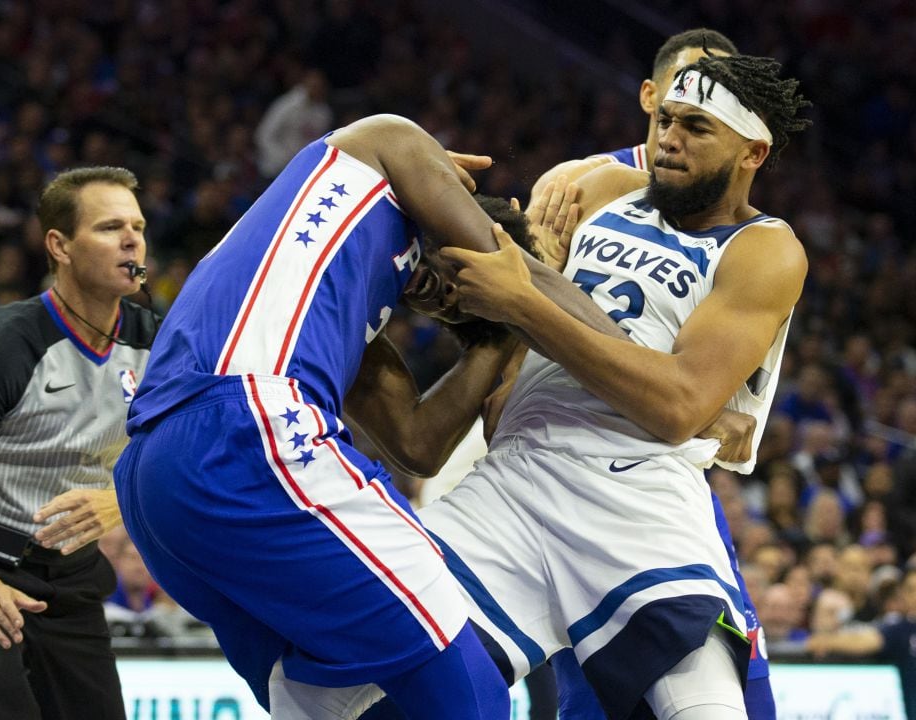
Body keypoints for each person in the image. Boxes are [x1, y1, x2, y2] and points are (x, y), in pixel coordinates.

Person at [333, 52, 811, 720]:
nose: (669, 138)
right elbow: (507, 338)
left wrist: (526, 299)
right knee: (361, 690)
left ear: (751, 153)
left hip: (637, 489)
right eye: (666, 119)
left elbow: (676, 406)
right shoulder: (595, 188)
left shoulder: (765, 248)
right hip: (520, 473)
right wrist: (499, 308)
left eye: (697, 128)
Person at [114, 114, 624, 719]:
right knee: (463, 666)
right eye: (462, 274)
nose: (450, 296)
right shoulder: (387, 143)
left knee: (332, 704)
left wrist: (499, 337)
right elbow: (524, 278)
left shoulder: (340, 301)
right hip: (245, 424)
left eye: (460, 311)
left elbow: (417, 444)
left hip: (158, 481)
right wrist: (650, 373)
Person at [528, 29, 778, 720]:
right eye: (685, 98)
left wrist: (704, 406)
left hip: (665, 482)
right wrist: (694, 404)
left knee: (737, 683)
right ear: (651, 97)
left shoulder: (745, 229)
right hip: (565, 478)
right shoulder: (581, 188)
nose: (708, 103)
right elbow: (521, 330)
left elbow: (720, 409)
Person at [0, 166, 157, 720]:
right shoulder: (1, 345)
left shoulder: (158, 345)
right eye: (110, 226)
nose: (132, 240)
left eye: (138, 226)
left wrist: (120, 500)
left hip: (70, 575)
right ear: (60, 246)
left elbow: (184, 460)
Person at [806, 567, 916, 719]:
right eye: (911, 590)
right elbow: (865, 641)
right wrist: (826, 641)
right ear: (903, 595)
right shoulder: (902, 629)